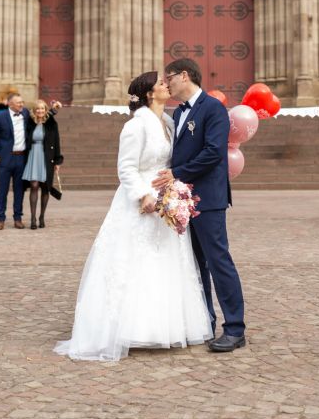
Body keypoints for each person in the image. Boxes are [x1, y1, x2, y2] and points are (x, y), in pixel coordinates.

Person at [54, 71, 212, 362]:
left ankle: (162, 326)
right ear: (149, 94)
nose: (167, 85)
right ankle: (129, 327)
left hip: (165, 199)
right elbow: (126, 167)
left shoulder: (168, 122)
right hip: (141, 202)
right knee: (136, 260)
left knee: (164, 260)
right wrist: (143, 195)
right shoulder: (135, 126)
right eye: (161, 83)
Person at [152, 58, 246, 353]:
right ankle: (206, 322)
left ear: (184, 75)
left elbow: (213, 152)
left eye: (169, 78)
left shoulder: (213, 108)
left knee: (218, 261)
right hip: (184, 200)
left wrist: (177, 173)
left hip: (208, 199)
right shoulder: (179, 112)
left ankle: (235, 329)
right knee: (195, 265)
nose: (166, 84)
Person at [0, 92, 31, 230]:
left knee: (19, 190)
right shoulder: (1, 116)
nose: (22, 104)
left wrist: (54, 110)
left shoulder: (26, 114)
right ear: (10, 104)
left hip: (21, 158)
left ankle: (18, 218)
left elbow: (42, 117)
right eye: (19, 103)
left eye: (22, 102)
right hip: (5, 158)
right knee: (3, 190)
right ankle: (1, 219)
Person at [22, 99, 63, 229]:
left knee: (45, 187)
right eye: (37, 109)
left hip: (47, 157)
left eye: (42, 108)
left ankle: (42, 217)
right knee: (34, 186)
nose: (40, 111)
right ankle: (33, 218)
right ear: (34, 111)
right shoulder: (30, 122)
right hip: (33, 156)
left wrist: (57, 161)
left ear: (46, 110)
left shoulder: (51, 123)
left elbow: (56, 142)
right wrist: (54, 109)